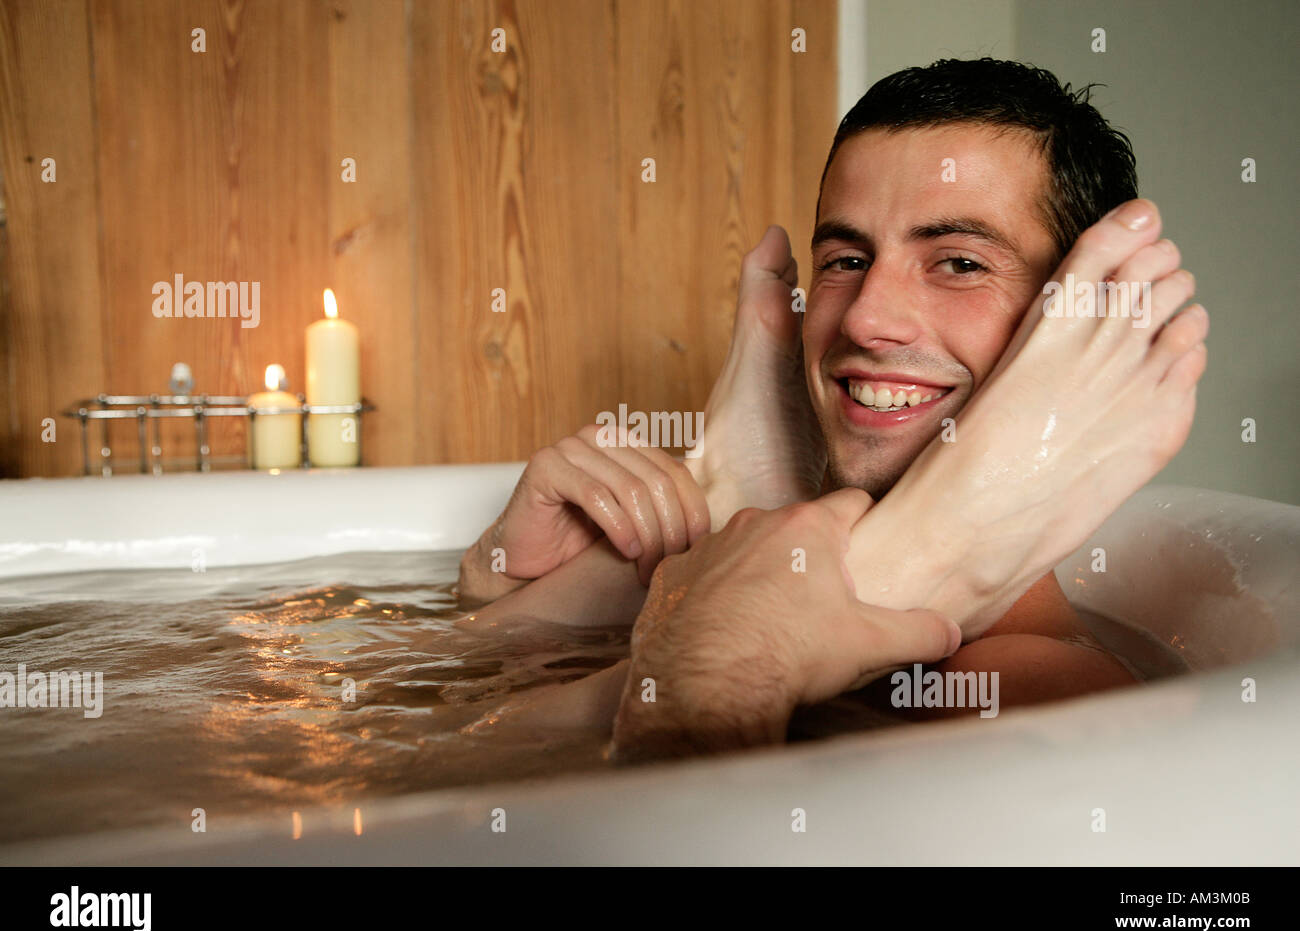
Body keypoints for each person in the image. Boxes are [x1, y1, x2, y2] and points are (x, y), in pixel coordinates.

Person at [453, 59, 1208, 760]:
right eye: (846, 261)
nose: (863, 319)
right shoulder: (713, 575)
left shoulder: (1032, 694)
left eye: (958, 263)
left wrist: (729, 650)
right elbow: (412, 747)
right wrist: (505, 590)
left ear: (1084, 325)